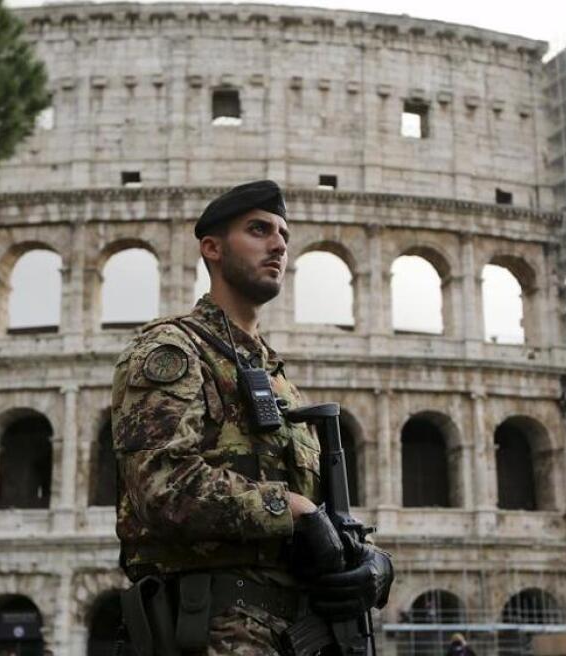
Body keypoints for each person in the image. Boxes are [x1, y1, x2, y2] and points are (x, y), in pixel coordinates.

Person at [111, 180, 394, 654]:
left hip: (293, 633)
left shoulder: (277, 377)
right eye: (259, 230)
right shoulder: (172, 351)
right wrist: (294, 510)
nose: (279, 244)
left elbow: (321, 510)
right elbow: (161, 486)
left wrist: (373, 564)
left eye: (283, 234)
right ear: (212, 248)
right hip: (213, 630)